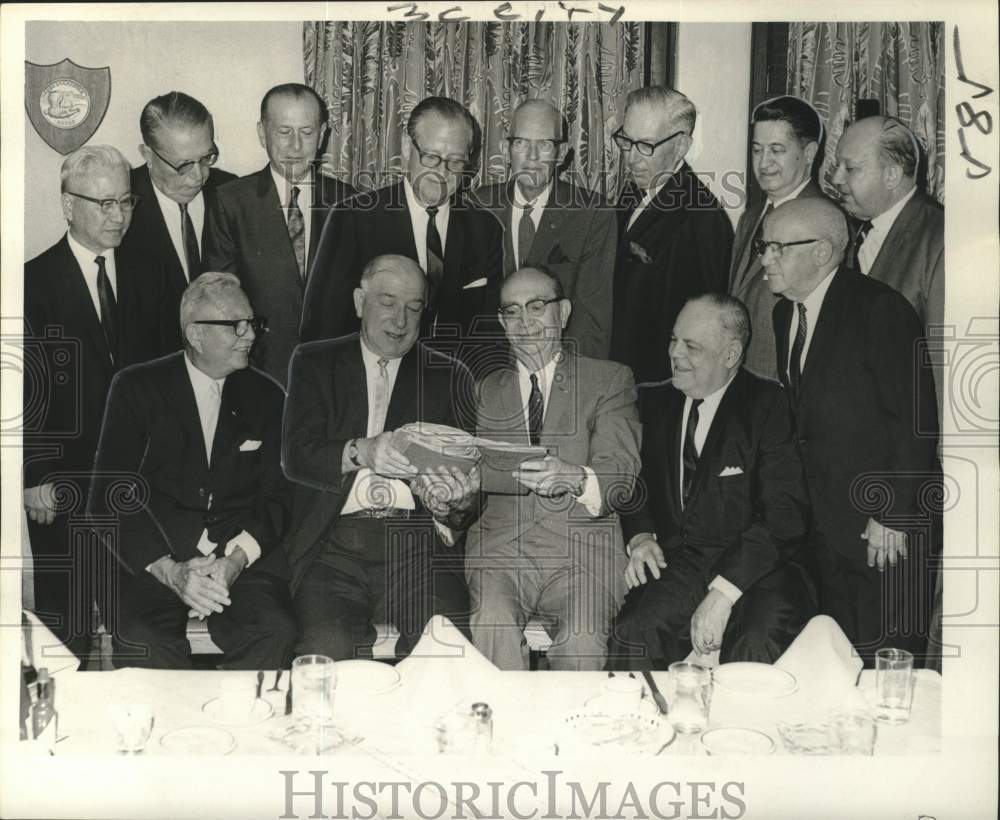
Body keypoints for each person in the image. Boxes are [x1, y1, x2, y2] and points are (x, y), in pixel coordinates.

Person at [88, 273, 297, 669]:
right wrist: (170, 570)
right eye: (236, 325)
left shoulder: (268, 396)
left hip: (240, 562)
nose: (249, 334)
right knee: (143, 639)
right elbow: (108, 498)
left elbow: (278, 499)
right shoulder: (136, 388)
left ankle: (246, 728)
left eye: (252, 322)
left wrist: (235, 561)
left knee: (274, 631)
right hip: (158, 562)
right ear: (196, 335)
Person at [763, 197, 940, 665]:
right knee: (841, 662)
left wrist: (894, 515)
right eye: (764, 247)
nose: (765, 260)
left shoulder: (881, 309)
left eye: (777, 248)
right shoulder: (785, 315)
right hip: (829, 528)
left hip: (887, 528)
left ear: (822, 252)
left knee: (889, 663)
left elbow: (915, 422)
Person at [282, 255, 475, 661]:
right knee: (328, 652)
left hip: (418, 548)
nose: (401, 321)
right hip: (332, 548)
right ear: (359, 301)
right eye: (387, 302)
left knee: (444, 650)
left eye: (414, 307)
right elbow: (296, 457)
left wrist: (454, 504)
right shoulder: (314, 362)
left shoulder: (450, 375)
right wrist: (362, 451)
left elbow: (471, 496)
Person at [608, 294, 814, 669]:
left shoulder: (769, 405)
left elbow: (784, 514)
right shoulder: (653, 401)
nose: (675, 354)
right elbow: (632, 480)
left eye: (691, 346)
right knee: (633, 632)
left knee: (753, 645)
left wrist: (723, 593)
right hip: (682, 562)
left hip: (760, 568)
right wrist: (640, 535)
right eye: (674, 340)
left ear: (731, 354)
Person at [23, 145, 172, 661]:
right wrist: (34, 472)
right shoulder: (29, 283)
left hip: (135, 490)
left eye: (126, 203)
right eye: (103, 203)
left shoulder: (151, 274)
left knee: (140, 631)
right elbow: (22, 389)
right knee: (63, 639)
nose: (118, 216)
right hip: (59, 490)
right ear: (68, 205)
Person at [460, 267, 640, 670]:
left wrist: (575, 476)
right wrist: (457, 489)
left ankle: (572, 733)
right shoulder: (482, 389)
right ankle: (505, 730)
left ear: (564, 312)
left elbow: (621, 476)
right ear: (502, 323)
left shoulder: (609, 380)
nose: (524, 322)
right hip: (502, 552)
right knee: (491, 621)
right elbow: (471, 478)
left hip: (583, 553)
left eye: (537, 306)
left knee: (581, 640)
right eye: (511, 311)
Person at [301, 96, 503, 370]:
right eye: (431, 157)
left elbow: (487, 332)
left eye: (455, 161)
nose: (441, 172)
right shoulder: (354, 218)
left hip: (453, 392)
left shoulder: (484, 229)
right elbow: (323, 328)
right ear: (408, 147)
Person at [203, 83, 356, 385]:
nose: (296, 146)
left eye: (307, 132)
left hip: (333, 374)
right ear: (262, 133)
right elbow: (220, 298)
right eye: (284, 132)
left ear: (323, 134)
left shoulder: (350, 202)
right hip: (259, 374)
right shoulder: (230, 201)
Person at [471, 99, 617, 359]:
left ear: (561, 154)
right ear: (506, 150)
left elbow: (592, 320)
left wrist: (569, 387)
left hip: (560, 368)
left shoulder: (591, 213)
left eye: (545, 145)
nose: (533, 157)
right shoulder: (477, 206)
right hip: (487, 369)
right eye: (522, 143)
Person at [610, 86, 733, 385]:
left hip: (657, 385)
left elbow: (703, 330)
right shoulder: (632, 191)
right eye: (626, 141)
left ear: (681, 145)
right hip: (618, 375)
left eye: (646, 146)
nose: (631, 158)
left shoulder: (703, 218)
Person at [832, 114, 944, 404]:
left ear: (892, 175)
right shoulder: (846, 229)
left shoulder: (941, 238)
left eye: (850, 168)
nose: (836, 178)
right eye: (837, 165)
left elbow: (946, 366)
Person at [120, 91, 237, 352]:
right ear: (147, 155)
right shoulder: (119, 205)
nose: (199, 176)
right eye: (183, 165)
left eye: (206, 157)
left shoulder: (232, 192)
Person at [729, 95, 831, 379]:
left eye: (777, 150)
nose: (764, 162)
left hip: (784, 383)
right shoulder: (751, 216)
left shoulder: (824, 221)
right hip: (741, 381)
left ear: (809, 153)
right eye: (757, 150)